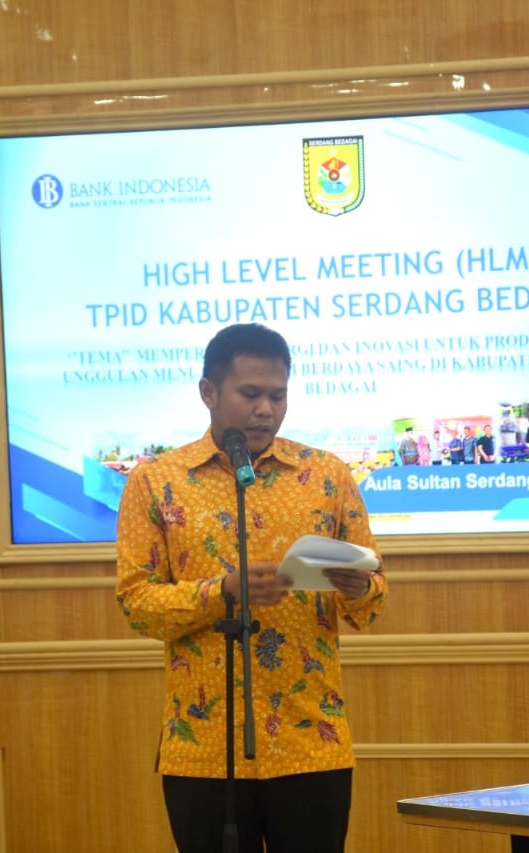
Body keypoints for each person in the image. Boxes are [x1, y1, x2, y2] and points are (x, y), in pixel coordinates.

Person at [115, 323, 388, 853]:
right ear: (208, 392)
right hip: (205, 749)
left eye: (278, 396)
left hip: (311, 742)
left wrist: (358, 586)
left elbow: (373, 603)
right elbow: (137, 605)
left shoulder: (327, 476)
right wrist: (222, 591)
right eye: (250, 394)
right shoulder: (156, 481)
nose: (265, 410)